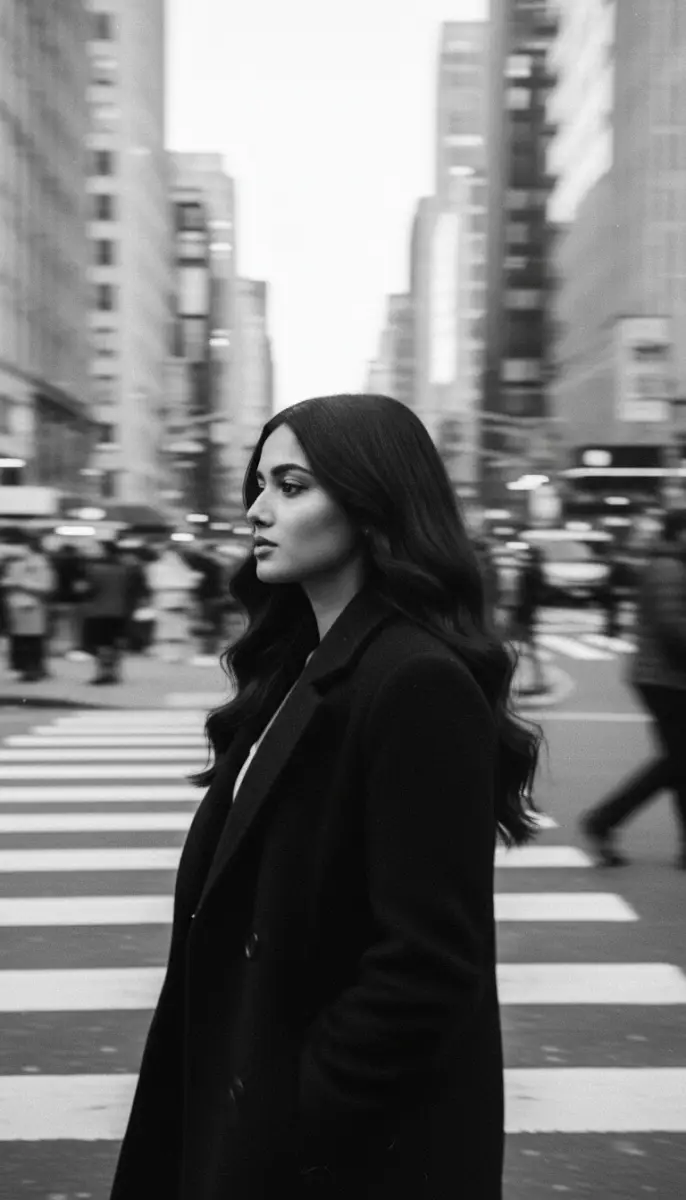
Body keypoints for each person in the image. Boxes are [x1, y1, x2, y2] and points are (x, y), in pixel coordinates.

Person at [109, 393, 541, 1200]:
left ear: (374, 505)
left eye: (292, 485)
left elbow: (425, 963)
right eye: (260, 482)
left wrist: (296, 1112)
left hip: (325, 1150)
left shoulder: (412, 679)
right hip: (241, 1089)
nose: (257, 508)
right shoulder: (298, 663)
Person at [581, 507, 686, 869]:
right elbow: (673, 627)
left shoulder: (669, 565)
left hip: (664, 676)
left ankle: (606, 822)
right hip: (664, 677)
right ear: (678, 534)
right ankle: (603, 820)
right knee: (677, 760)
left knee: (678, 760)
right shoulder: (668, 569)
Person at [81, 540, 139, 684]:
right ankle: (114, 672)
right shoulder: (126, 569)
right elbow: (132, 592)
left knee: (102, 644)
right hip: (120, 611)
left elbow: (87, 590)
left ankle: (103, 673)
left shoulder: (93, 569)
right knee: (114, 643)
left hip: (98, 610)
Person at [2, 532, 55, 681]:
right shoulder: (16, 563)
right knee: (21, 640)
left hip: (32, 606)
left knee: (32, 640)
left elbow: (46, 586)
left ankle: (34, 669)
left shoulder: (40, 563)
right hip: (17, 605)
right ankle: (27, 668)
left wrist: (20, 584)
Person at [147, 540, 198, 662]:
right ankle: (177, 654)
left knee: (166, 627)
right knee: (179, 627)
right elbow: (191, 581)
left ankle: (167, 653)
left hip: (164, 598)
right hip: (180, 597)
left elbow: (152, 583)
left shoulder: (156, 567)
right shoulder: (182, 566)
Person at [511, 542, 547, 694]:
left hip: (524, 615)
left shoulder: (529, 573)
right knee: (526, 649)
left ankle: (533, 681)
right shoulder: (537, 572)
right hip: (528, 614)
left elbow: (523, 596)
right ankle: (536, 680)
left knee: (521, 649)